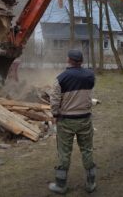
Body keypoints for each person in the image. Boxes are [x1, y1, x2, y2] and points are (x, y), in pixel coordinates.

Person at [49, 49, 96, 194]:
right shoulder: (90, 75)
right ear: (81, 61)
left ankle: (61, 185)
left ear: (69, 60)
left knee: (64, 153)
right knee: (87, 150)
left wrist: (55, 115)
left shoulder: (61, 78)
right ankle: (91, 183)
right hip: (85, 119)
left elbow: (55, 100)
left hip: (67, 121)